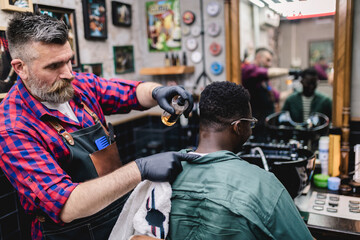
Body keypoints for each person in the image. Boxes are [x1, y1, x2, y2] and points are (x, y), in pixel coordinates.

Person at [0, 12, 197, 240]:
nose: (69, 74)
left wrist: (157, 92)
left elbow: (131, 93)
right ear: (20, 68)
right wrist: (139, 169)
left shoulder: (79, 86)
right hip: (70, 233)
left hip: (117, 217)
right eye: (54, 66)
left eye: (69, 60)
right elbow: (67, 204)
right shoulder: (12, 128)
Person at [168, 81, 313, 239]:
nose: (250, 130)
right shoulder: (264, 186)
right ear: (237, 127)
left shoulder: (167, 171)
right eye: (250, 124)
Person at [242, 47, 299, 140]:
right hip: (254, 126)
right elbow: (265, 73)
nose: (269, 64)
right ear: (258, 57)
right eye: (267, 60)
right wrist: (290, 71)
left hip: (266, 126)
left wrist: (294, 91)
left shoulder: (265, 81)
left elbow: (278, 97)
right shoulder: (249, 70)